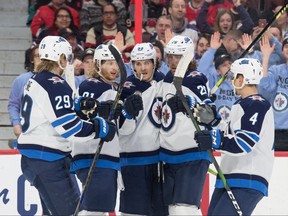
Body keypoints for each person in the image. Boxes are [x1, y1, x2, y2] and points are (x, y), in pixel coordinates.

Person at [17, 35, 116, 215]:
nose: (68, 62)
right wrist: (98, 128)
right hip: (48, 161)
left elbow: (48, 108)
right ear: (60, 58)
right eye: (67, 57)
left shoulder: (35, 79)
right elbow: (70, 128)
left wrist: (80, 104)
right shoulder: (55, 84)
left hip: (33, 158)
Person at [195, 57, 274, 215]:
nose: (232, 80)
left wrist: (214, 139)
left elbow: (244, 143)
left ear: (242, 79)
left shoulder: (257, 104)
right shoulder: (241, 104)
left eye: (234, 76)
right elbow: (230, 133)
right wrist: (214, 121)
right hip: (231, 175)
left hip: (247, 178)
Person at [160, 35, 218, 215]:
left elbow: (210, 116)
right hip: (168, 155)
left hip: (192, 153)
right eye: (170, 56)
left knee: (185, 210)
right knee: (172, 210)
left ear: (188, 56)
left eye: (177, 56)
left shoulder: (195, 78)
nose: (172, 61)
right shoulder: (165, 80)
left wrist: (191, 102)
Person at [118, 42, 167, 215]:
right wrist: (127, 114)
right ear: (132, 65)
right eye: (138, 64)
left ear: (154, 62)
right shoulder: (126, 87)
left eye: (146, 62)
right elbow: (121, 129)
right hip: (132, 160)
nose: (142, 68)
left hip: (158, 161)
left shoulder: (164, 82)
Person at [71, 44, 121, 215]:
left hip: (103, 157)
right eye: (108, 63)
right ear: (98, 65)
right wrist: (99, 109)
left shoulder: (111, 88)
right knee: (95, 210)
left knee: (97, 209)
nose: (114, 67)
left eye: (116, 63)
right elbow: (84, 114)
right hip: (94, 156)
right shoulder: (92, 85)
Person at [259, 35, 288, 151]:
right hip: (277, 131)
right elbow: (264, 87)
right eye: (286, 46)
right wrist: (265, 57)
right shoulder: (277, 70)